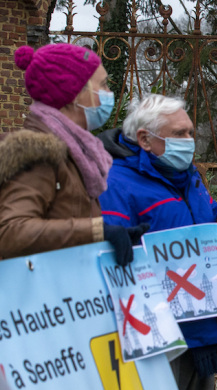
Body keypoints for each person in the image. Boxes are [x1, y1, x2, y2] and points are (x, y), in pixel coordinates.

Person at [99, 94, 217, 390]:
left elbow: (207, 218)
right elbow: (112, 252)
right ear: (145, 139)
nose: (189, 140)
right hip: (156, 334)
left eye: (191, 132)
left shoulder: (190, 177)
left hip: (202, 329)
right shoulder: (117, 182)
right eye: (179, 133)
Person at [0, 44, 146, 264]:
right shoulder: (38, 153)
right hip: (40, 292)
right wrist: (97, 232)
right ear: (75, 92)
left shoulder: (76, 150)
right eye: (104, 85)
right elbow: (10, 232)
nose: (109, 93)